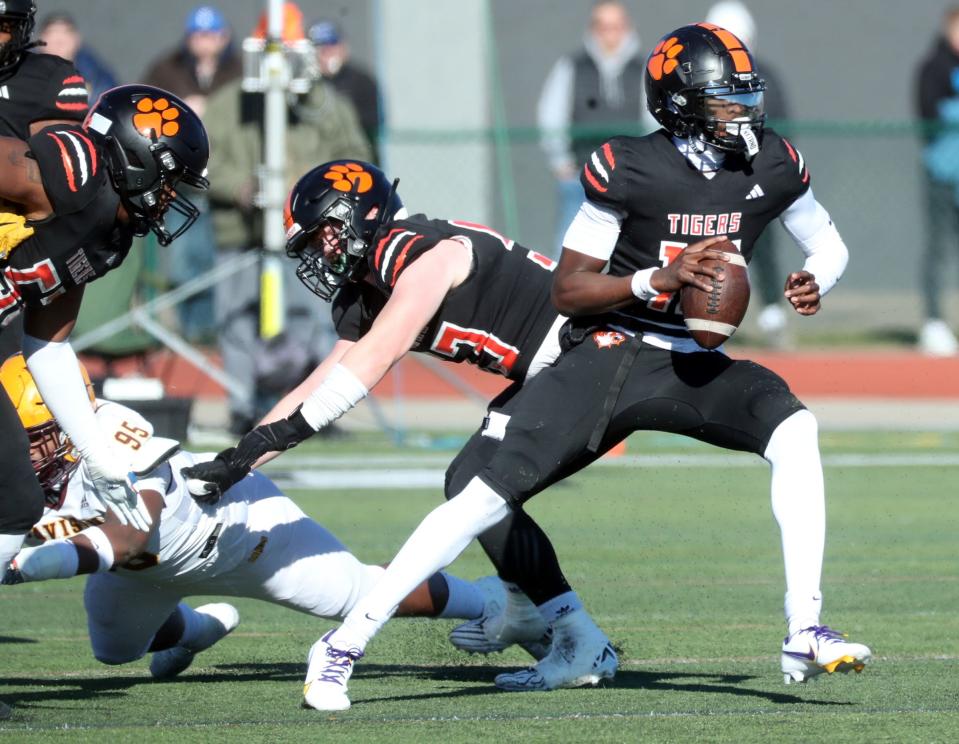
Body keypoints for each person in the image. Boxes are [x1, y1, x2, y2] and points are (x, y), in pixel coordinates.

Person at [254, 23, 873, 710]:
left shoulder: (773, 162)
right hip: (610, 350)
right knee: (480, 496)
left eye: (742, 97)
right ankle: (344, 643)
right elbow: (568, 290)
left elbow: (827, 243)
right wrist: (654, 281)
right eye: (723, 99)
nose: (742, 112)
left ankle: (803, 627)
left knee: (794, 428)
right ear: (678, 104)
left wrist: (817, 277)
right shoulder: (627, 167)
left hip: (690, 361)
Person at [180, 159, 616, 707]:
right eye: (312, 243)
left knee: (472, 480)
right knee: (471, 482)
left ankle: (551, 626)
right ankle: (535, 614)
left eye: (326, 233)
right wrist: (236, 460)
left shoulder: (410, 249)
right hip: (548, 371)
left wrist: (247, 455)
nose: (321, 251)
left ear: (361, 212)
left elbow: (368, 366)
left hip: (588, 355)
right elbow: (317, 387)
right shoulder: (366, 285)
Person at [0, 353, 500, 678]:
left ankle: (488, 601)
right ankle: (196, 630)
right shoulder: (21, 462)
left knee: (357, 594)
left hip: (236, 533)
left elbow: (130, 536)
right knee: (114, 652)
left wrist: (28, 567)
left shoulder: (117, 431)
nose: (24, 450)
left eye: (35, 436)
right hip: (144, 572)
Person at [0, 83, 210, 589]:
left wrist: (96, 455)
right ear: (137, 157)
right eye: (168, 181)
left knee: (14, 503)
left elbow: (47, 347)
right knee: (12, 503)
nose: (169, 198)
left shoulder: (106, 237)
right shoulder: (69, 173)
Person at [204, 4, 372, 433]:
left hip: (310, 237)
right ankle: (242, 406)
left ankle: (315, 408)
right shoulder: (227, 105)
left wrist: (319, 192)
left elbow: (358, 159)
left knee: (314, 317)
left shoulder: (327, 106)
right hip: (239, 233)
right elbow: (205, 163)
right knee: (235, 319)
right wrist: (240, 187)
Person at [142, 5, 242, 343]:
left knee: (223, 260)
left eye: (212, 34)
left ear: (224, 36)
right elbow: (142, 112)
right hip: (181, 180)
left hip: (225, 180)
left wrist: (209, 112)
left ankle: (218, 331)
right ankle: (191, 331)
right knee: (185, 258)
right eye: (199, 35)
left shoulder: (240, 70)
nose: (205, 42)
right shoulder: (166, 68)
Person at [0, 0, 90, 372]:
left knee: (22, 382)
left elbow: (61, 178)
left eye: (3, 25)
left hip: (13, 251)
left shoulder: (46, 80)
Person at [705, 1, 792, 347]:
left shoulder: (764, 77)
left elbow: (781, 130)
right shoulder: (701, 76)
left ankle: (772, 313)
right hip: (707, 179)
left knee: (761, 243)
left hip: (751, 177)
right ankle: (702, 317)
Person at [536, 0, 648, 258]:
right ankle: (559, 298)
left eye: (616, 26)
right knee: (570, 249)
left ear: (627, 28)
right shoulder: (573, 66)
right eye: (603, 26)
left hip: (631, 178)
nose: (610, 33)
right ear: (593, 28)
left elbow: (653, 117)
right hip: (580, 176)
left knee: (633, 250)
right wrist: (560, 161)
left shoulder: (642, 69)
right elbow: (552, 114)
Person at [916, 6, 959, 356]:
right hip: (942, 175)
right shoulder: (933, 67)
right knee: (938, 249)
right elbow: (928, 113)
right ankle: (933, 322)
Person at [308, 19, 383, 164]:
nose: (327, 53)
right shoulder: (307, 87)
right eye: (321, 48)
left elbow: (372, 124)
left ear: (343, 47)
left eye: (332, 46)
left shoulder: (362, 81)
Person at [37, 12, 118, 105]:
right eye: (51, 34)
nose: (59, 42)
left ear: (77, 39)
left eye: (66, 33)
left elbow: (113, 107)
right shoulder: (23, 75)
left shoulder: (98, 79)